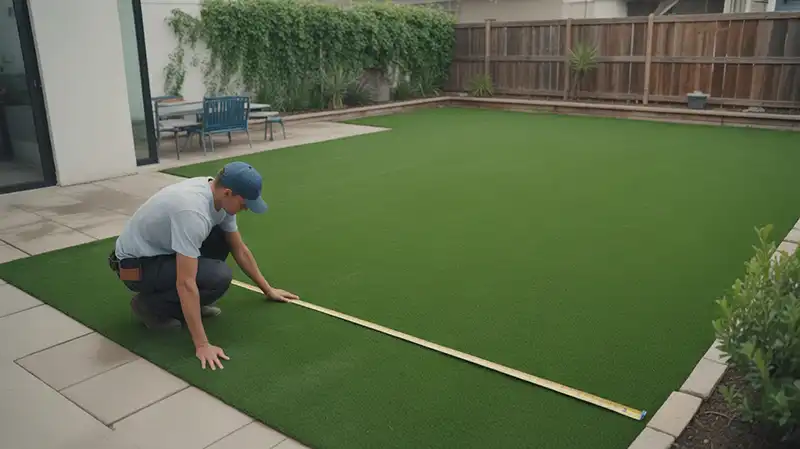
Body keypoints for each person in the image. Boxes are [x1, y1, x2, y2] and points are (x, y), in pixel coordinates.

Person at [108, 161, 299, 371]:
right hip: (136, 266)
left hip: (163, 252)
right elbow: (185, 282)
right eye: (244, 203)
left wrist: (268, 290)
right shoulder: (192, 212)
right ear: (228, 193)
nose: (246, 208)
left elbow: (239, 249)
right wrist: (202, 345)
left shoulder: (218, 198)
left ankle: (186, 305)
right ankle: (149, 307)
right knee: (218, 276)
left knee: (221, 238)